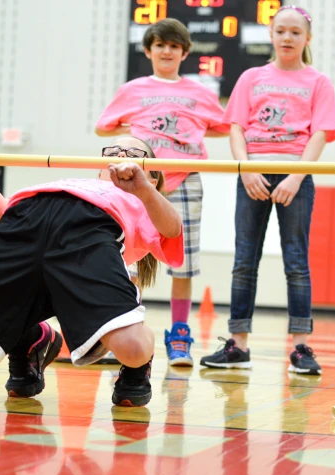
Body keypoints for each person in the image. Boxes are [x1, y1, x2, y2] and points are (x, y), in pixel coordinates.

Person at [0, 128, 184, 407]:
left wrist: (143, 190)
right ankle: (30, 338)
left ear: (153, 179)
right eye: (113, 152)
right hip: (29, 215)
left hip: (89, 227)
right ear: (100, 169)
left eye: (135, 155)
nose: (121, 156)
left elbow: (172, 230)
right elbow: (4, 213)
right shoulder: (71, 184)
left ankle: (137, 366)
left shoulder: (142, 202)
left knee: (132, 349)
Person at [200, 6, 335, 375]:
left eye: (296, 32)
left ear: (307, 39)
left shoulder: (318, 81)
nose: (287, 38)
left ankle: (300, 347)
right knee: (244, 261)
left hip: (297, 174)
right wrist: (246, 169)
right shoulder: (252, 77)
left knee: (297, 262)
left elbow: (321, 133)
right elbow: (235, 127)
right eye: (281, 31)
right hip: (253, 174)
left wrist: (297, 176)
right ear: (271, 34)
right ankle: (238, 345)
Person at [96, 18, 229, 367]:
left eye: (173, 46)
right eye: (160, 45)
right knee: (130, 255)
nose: (166, 51)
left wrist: (193, 132)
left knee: (182, 259)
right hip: (140, 180)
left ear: (184, 52)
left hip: (185, 179)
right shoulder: (134, 88)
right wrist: (134, 126)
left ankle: (180, 336)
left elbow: (224, 126)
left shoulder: (199, 92)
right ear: (148, 50)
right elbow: (103, 126)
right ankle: (124, 328)